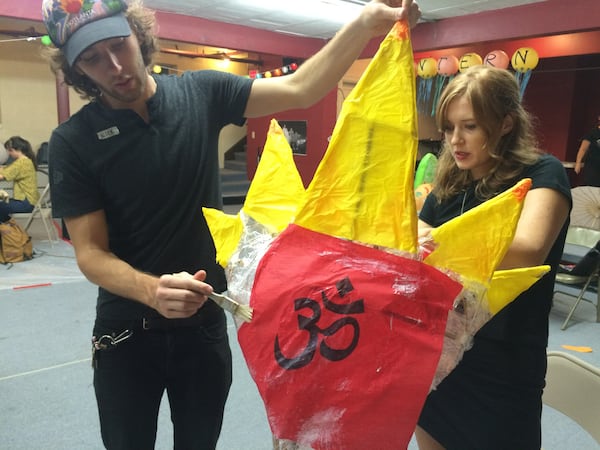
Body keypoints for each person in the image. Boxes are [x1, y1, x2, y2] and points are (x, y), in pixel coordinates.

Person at [40, 0, 421, 448]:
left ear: (137, 32)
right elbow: (90, 252)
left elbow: (301, 88)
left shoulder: (199, 93)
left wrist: (363, 23)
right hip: (127, 331)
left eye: (118, 44)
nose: (116, 65)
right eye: (92, 58)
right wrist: (151, 290)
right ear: (76, 69)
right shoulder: (73, 141)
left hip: (204, 325)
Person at [414, 65, 571, 450]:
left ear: (505, 124)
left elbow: (527, 247)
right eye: (449, 128)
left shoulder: (542, 174)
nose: (455, 140)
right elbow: (412, 236)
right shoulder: (452, 183)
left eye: (469, 126)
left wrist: (436, 242)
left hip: (505, 360)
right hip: (439, 352)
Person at [0, 136, 39, 223]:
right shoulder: (26, 160)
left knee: (1, 207)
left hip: (25, 203)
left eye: (10, 151)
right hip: (28, 202)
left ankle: (8, 231)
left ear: (17, 149)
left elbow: (3, 176)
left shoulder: (21, 163)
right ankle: (10, 231)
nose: (9, 154)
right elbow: (7, 169)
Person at [574, 115, 600, 186]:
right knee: (591, 186)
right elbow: (583, 149)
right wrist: (578, 163)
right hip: (592, 166)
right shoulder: (592, 133)